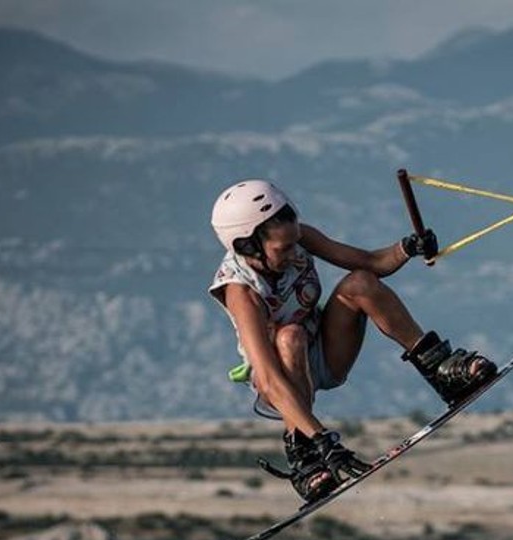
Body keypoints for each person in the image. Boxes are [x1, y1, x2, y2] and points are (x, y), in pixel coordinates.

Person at [207, 179, 496, 503]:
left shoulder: (299, 237)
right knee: (290, 336)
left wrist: (408, 247)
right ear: (247, 247)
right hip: (279, 380)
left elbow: (371, 263)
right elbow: (270, 380)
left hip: (325, 353)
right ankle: (305, 456)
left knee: (360, 282)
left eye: (295, 242)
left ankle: (440, 368)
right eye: (282, 249)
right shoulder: (241, 291)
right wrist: (321, 439)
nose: (293, 252)